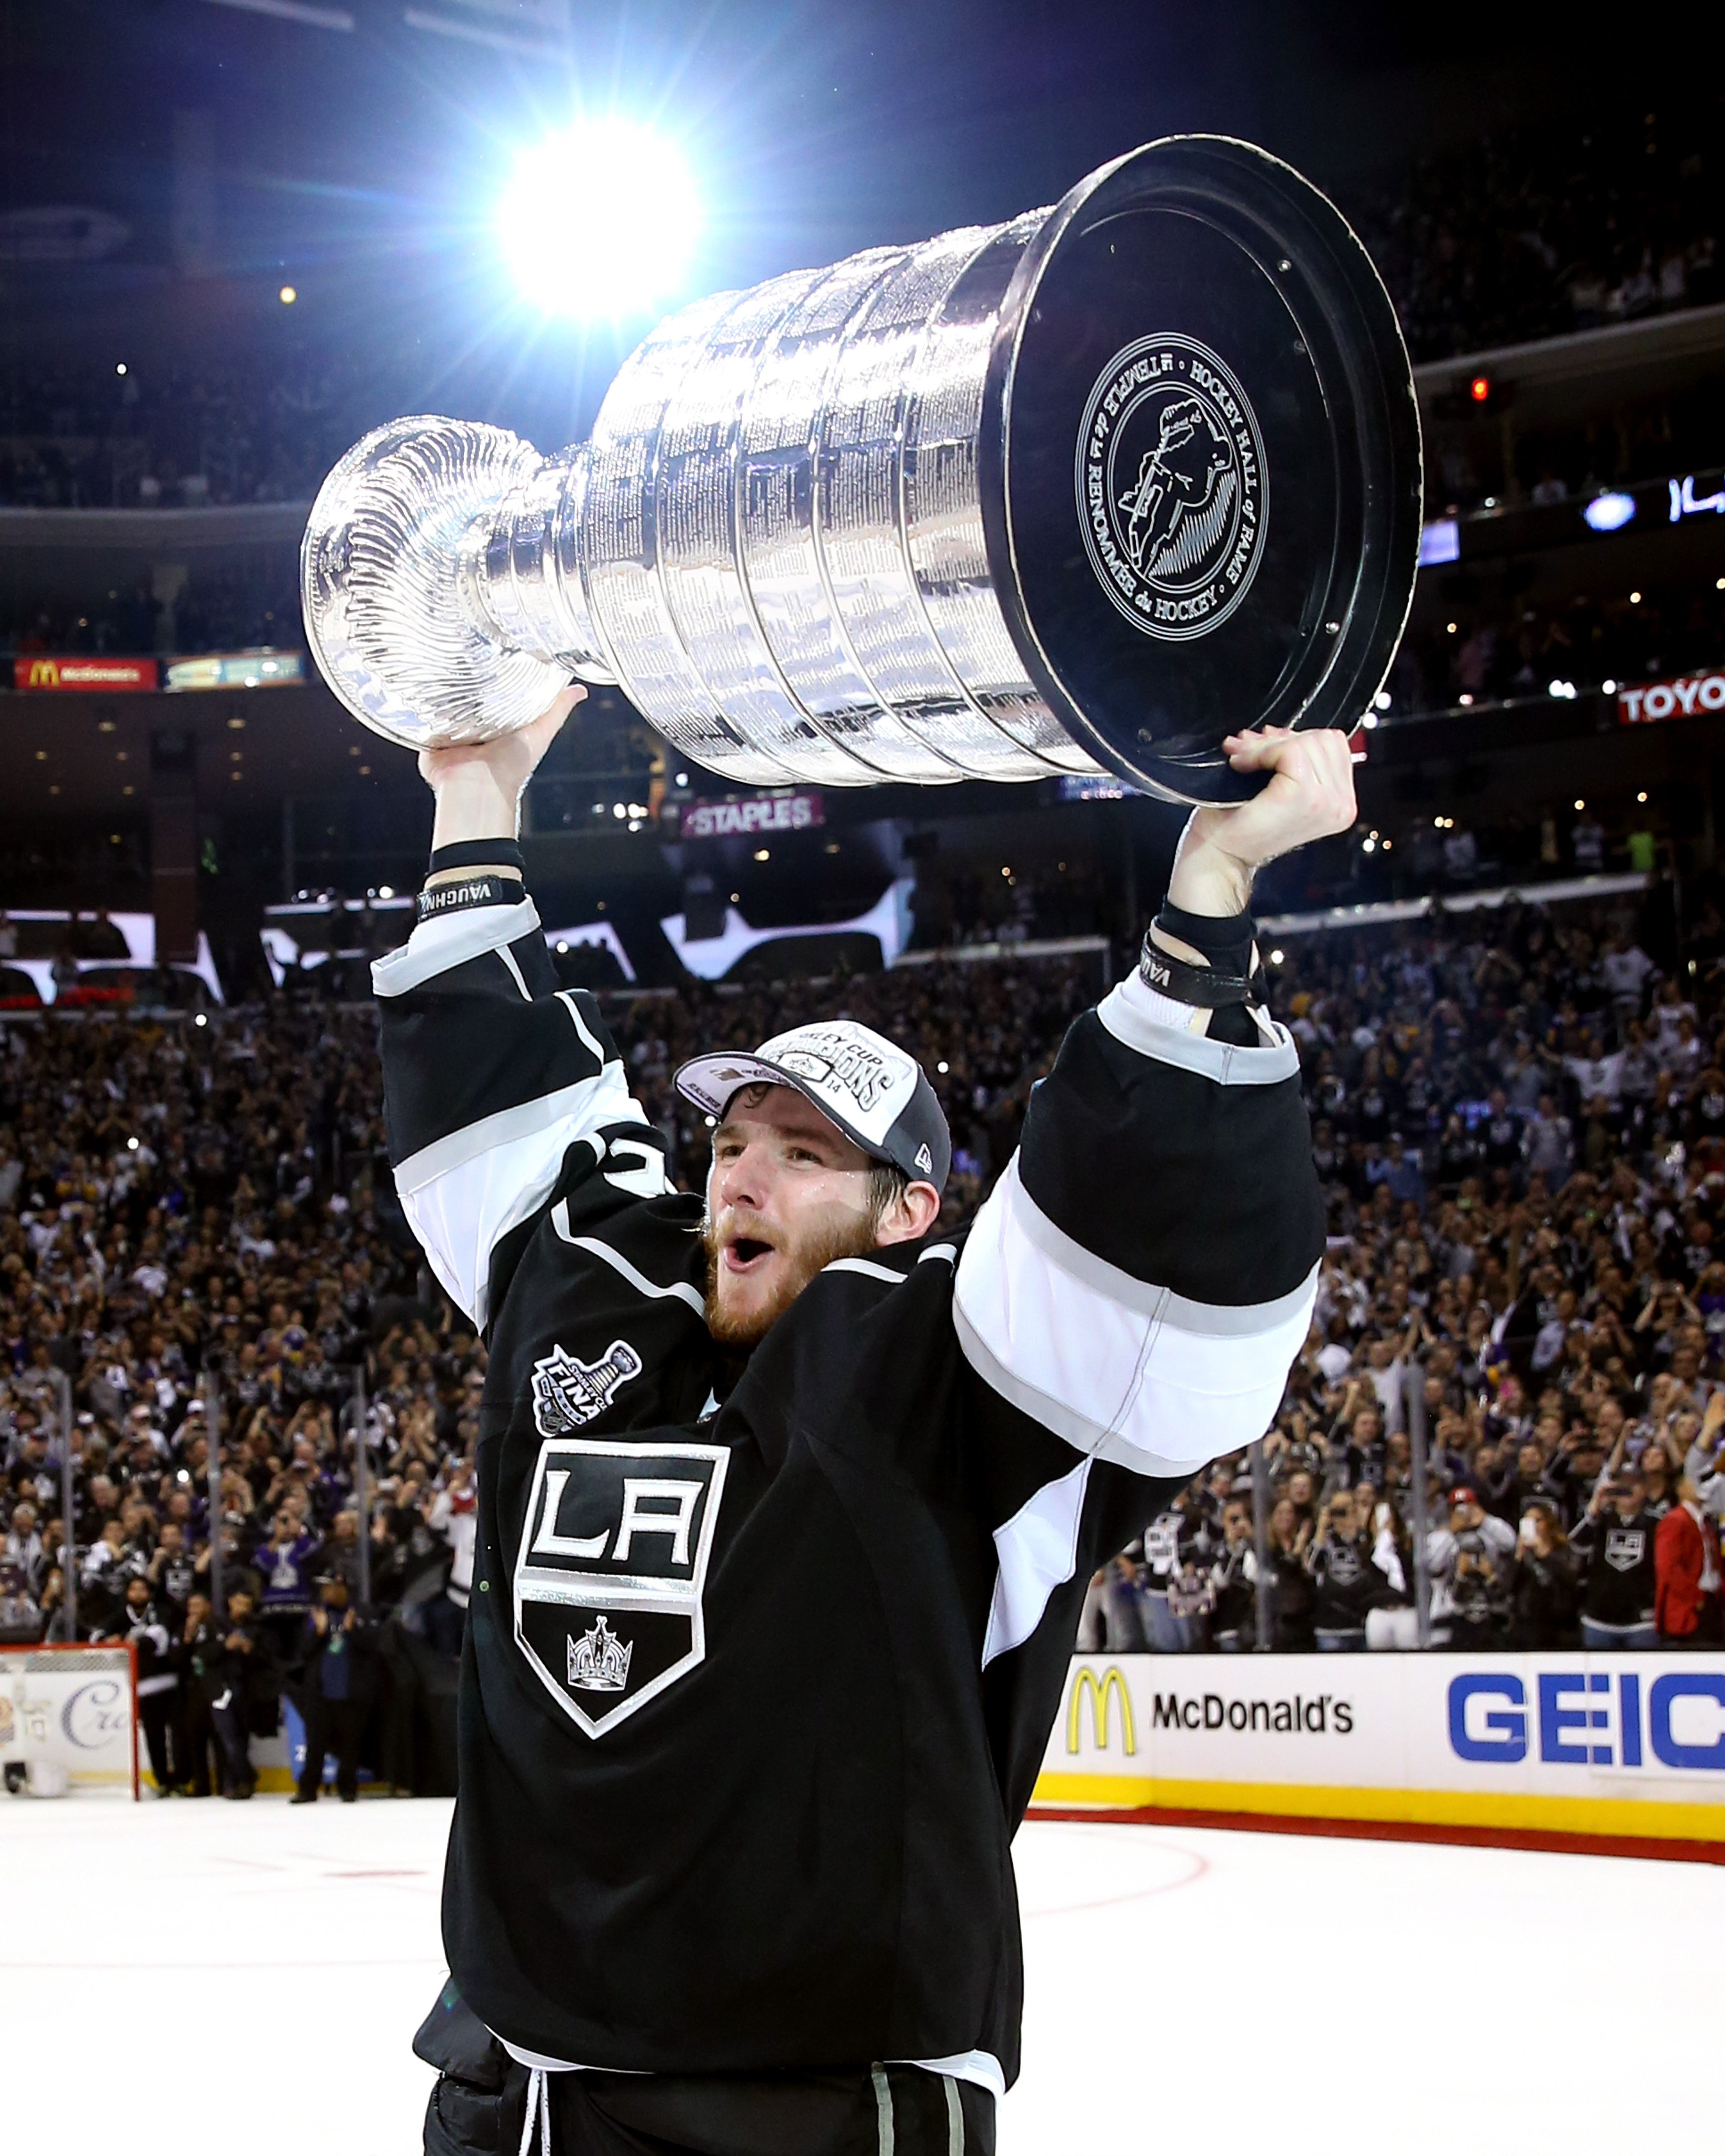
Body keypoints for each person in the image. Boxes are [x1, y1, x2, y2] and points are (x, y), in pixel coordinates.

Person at [389, 692, 1349, 2156]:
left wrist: (1207, 897)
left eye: (801, 1152)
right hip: (518, 2096)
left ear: (909, 1209)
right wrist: (474, 789)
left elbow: (1161, 1275)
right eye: (725, 1145)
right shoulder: (591, 1298)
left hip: (829, 2110)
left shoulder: (963, 1373)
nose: (737, 1183)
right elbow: (495, 1101)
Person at [292, 1572, 377, 1802]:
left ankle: (348, 1788)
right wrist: (318, 1633)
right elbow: (304, 1652)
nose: (326, 1593)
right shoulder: (316, 1615)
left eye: (330, 1588)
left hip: (351, 1690)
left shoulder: (361, 1613)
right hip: (320, 1691)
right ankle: (308, 1789)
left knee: (351, 1744)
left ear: (343, 1589)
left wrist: (353, 1631)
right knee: (316, 1744)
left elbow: (374, 1646)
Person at [1570, 1471, 1659, 1649]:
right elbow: (1576, 1545)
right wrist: (1595, 1506)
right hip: (1599, 1620)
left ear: (1644, 1490)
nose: (1627, 1490)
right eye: (1622, 1486)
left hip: (1641, 1622)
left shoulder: (1656, 1523)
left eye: (1633, 1485)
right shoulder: (1600, 1520)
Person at [1656, 1479, 1723, 1647]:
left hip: (1712, 1602)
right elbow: (1668, 1567)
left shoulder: (1705, 1521)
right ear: (1681, 1489)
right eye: (1695, 1482)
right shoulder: (1676, 1520)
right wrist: (1696, 1598)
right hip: (1690, 1608)